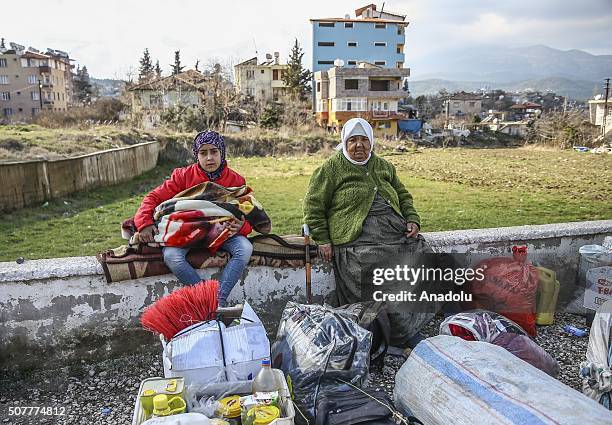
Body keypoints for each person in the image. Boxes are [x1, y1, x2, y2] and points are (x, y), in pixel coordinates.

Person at [303, 118, 435, 347]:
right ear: (344, 141)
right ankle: (401, 334)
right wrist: (323, 239)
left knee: (426, 259)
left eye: (364, 139)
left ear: (372, 141)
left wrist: (413, 219)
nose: (359, 145)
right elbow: (313, 207)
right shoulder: (330, 169)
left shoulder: (383, 166)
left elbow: (403, 195)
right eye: (353, 140)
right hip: (357, 239)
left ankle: (419, 321)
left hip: (394, 233)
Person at [134, 130, 253, 307]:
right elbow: (152, 198)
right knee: (172, 256)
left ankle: (218, 300)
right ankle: (210, 301)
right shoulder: (183, 176)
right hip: (186, 233)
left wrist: (241, 226)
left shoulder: (235, 180)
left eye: (214, 151)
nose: (209, 158)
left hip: (221, 233)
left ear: (222, 152)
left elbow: (250, 211)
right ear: (196, 155)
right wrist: (144, 223)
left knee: (244, 248)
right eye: (203, 153)